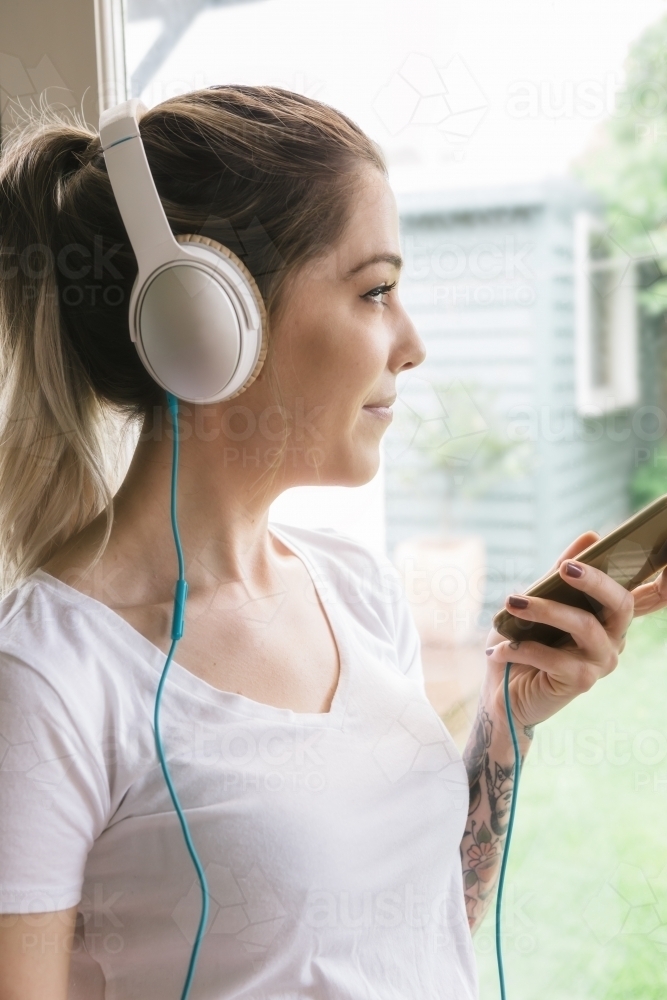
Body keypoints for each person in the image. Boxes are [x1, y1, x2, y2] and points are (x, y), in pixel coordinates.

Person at [0, 85, 664, 1000]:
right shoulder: (46, 675)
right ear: (210, 319)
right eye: (376, 290)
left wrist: (506, 717)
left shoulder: (354, 588)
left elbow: (412, 928)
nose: (412, 344)